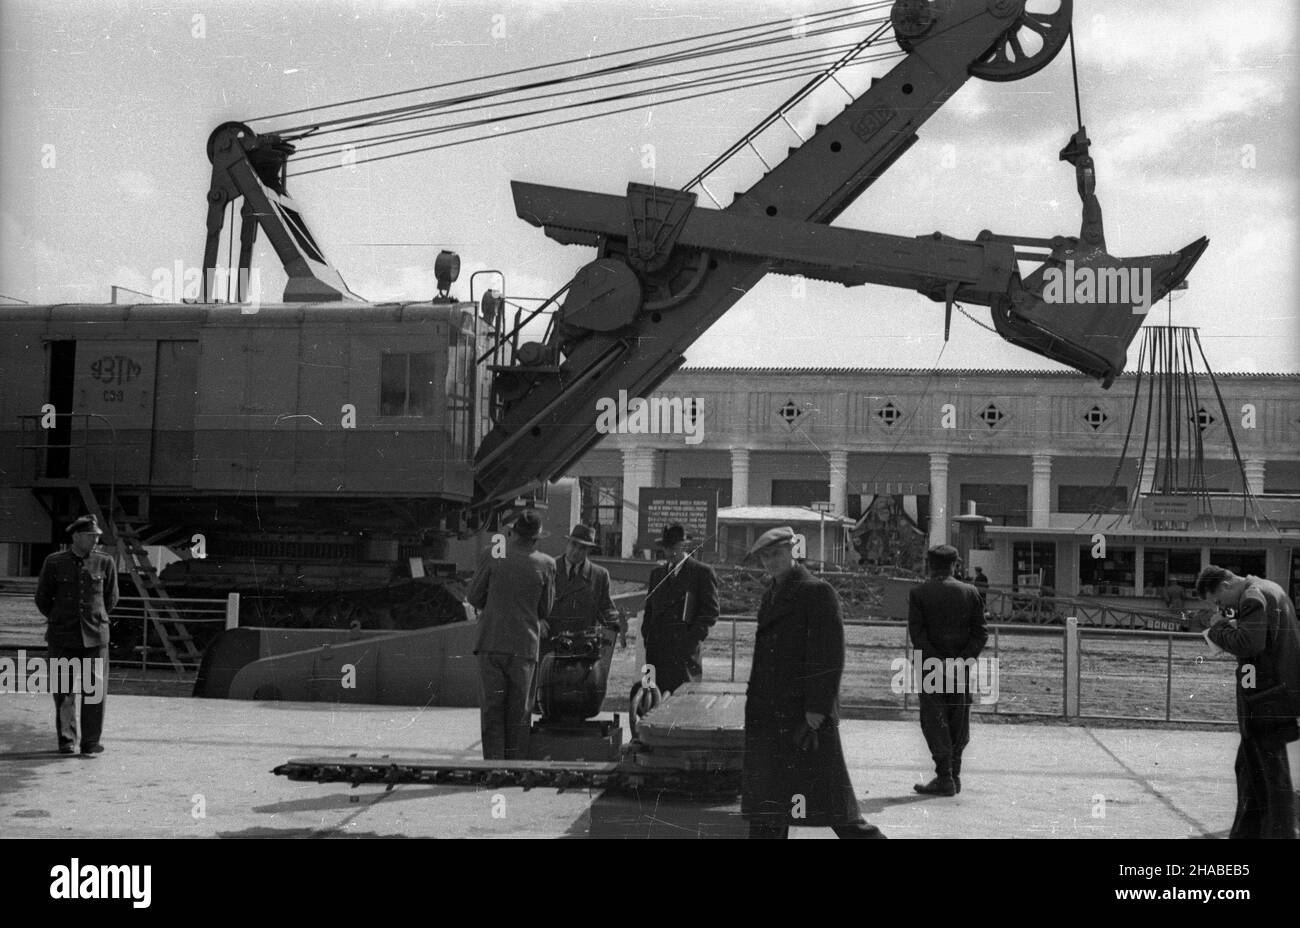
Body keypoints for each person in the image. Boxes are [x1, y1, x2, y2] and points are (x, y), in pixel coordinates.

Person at [742, 526, 885, 839]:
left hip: (803, 718)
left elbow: (829, 655)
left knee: (834, 807)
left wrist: (817, 709)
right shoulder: (772, 594)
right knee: (771, 806)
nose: (770, 561)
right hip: (770, 716)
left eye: (776, 554)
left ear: (793, 551)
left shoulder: (816, 591)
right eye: (765, 557)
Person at [1197, 565, 1300, 839]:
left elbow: (1248, 644)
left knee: (1270, 777)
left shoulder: (1252, 597)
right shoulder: (1270, 589)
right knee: (1251, 770)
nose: (1221, 606)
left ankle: (1278, 835)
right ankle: (1247, 833)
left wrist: (1218, 627)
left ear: (1228, 583)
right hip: (1273, 695)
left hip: (1266, 700)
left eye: (1219, 600)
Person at [466, 509, 555, 760]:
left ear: (512, 533)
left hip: (490, 643)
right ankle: (515, 769)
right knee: (519, 713)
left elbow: (473, 596)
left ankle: (493, 767)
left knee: (492, 710)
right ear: (536, 538)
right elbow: (545, 609)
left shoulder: (493, 556)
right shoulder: (547, 564)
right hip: (524, 646)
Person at [908, 544, 988, 796]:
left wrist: (937, 662)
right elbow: (981, 633)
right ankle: (954, 775)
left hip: (931, 669)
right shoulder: (971, 592)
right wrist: (961, 660)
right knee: (958, 719)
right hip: (960, 669)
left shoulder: (919, 593)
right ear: (955, 565)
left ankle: (944, 777)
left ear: (930, 565)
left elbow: (917, 635)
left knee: (934, 720)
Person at [34, 514, 118, 756]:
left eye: (97, 537)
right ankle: (66, 740)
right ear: (77, 536)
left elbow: (110, 599)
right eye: (91, 536)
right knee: (63, 691)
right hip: (63, 636)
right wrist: (61, 618)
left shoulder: (105, 562)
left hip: (95, 636)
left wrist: (93, 619)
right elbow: (42, 598)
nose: (95, 541)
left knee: (95, 691)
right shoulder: (54, 562)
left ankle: (91, 742)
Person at [641, 523, 719, 695]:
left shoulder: (702, 573)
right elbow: (649, 610)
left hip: (683, 658)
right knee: (650, 702)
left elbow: (711, 613)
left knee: (681, 706)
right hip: (655, 655)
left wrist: (690, 641)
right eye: (666, 547)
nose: (668, 552)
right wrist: (647, 635)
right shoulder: (657, 574)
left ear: (684, 546)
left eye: (673, 547)